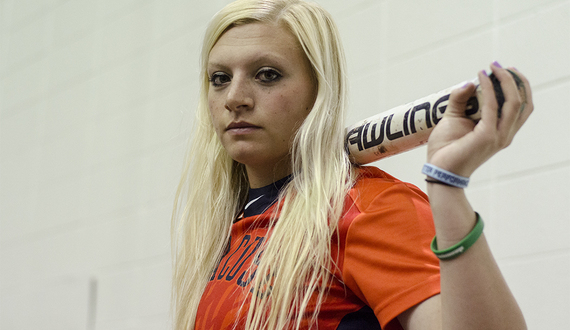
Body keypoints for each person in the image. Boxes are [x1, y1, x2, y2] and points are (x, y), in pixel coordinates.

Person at [171, 0, 533, 329]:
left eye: (267, 74)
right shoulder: (227, 224)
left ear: (319, 91)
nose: (234, 97)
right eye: (220, 79)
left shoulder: (369, 209)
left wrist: (447, 184)